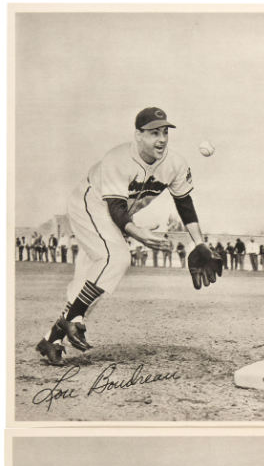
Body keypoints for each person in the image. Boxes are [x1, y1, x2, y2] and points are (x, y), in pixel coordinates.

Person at [35, 107, 209, 367]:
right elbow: (115, 207)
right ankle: (71, 319)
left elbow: (184, 202)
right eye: (153, 133)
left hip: (116, 216)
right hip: (90, 205)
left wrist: (199, 242)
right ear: (138, 135)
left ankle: (52, 340)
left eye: (164, 132)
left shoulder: (175, 164)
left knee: (93, 282)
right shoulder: (118, 158)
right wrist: (139, 234)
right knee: (116, 258)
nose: (161, 139)